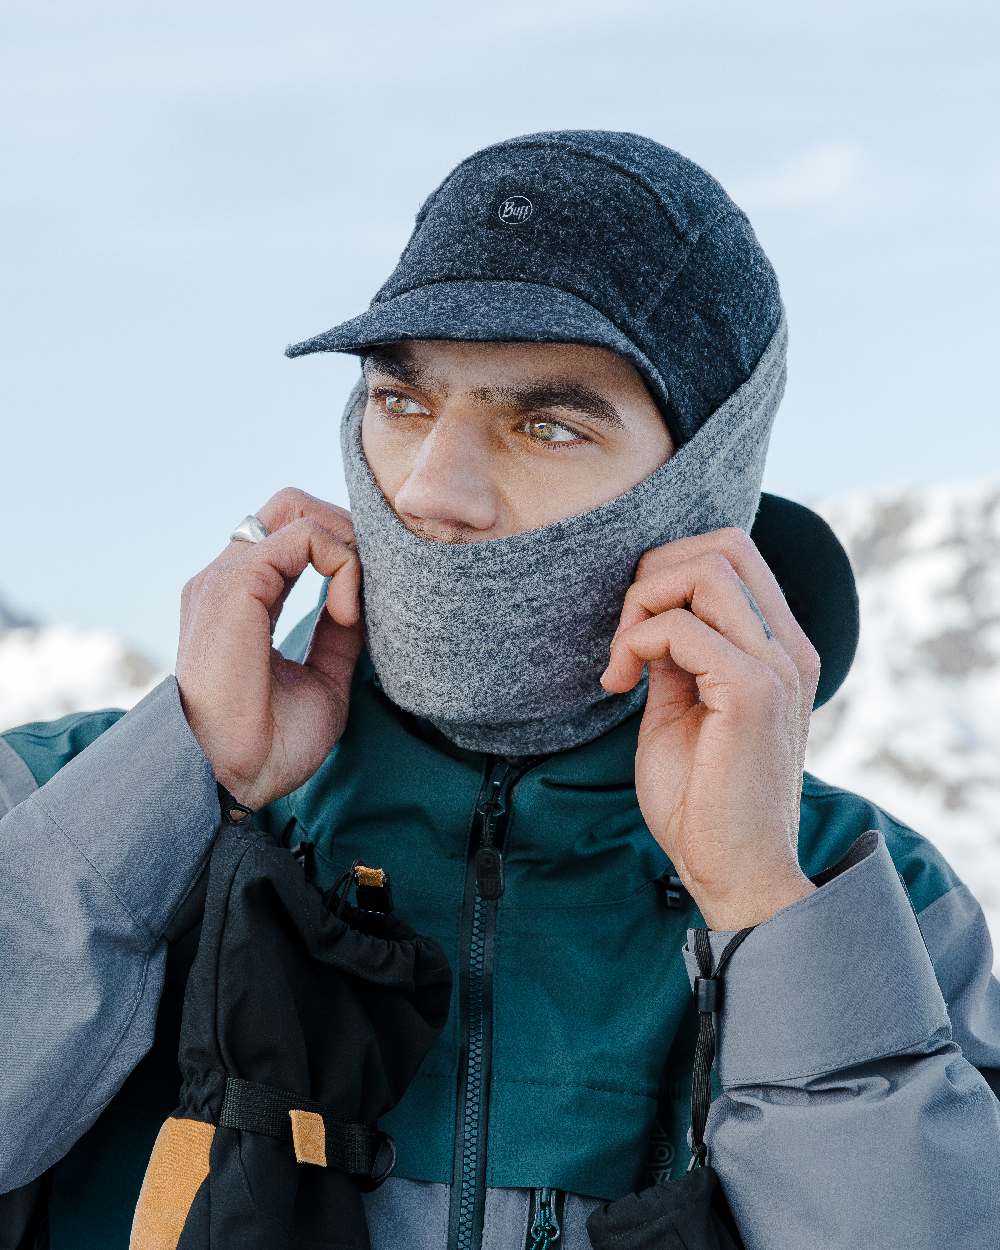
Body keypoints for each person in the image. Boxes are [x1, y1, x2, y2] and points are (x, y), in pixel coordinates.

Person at [1, 129, 998, 1250]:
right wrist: (175, 781)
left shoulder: (875, 904)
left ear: (701, 480)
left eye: (545, 423)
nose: (433, 490)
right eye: (403, 401)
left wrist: (765, 908)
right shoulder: (53, 801)